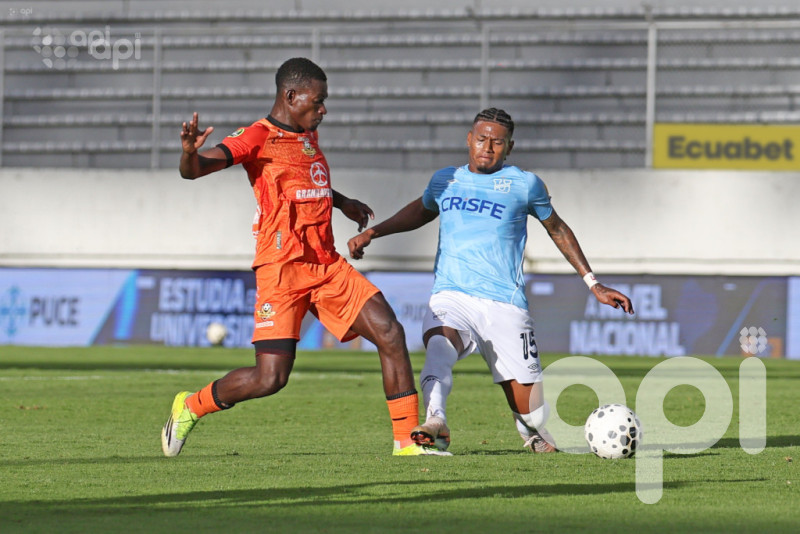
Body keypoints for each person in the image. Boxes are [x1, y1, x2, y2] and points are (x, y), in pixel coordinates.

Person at [161, 57, 450, 457]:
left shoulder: (307, 134)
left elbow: (304, 182)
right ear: (290, 95)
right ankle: (189, 405)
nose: (324, 110)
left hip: (326, 265)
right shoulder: (256, 137)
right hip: (281, 270)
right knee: (270, 378)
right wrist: (189, 154)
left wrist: (342, 201)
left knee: (390, 332)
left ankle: (407, 443)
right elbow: (195, 170)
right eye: (318, 101)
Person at [347, 108, 634, 454]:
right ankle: (436, 422)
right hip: (452, 295)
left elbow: (557, 228)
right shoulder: (445, 179)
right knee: (438, 348)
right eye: (481, 139)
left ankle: (527, 426)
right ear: (469, 139)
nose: (488, 147)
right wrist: (374, 233)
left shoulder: (525, 184)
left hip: (505, 304)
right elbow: (421, 211)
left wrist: (593, 283)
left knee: (534, 411)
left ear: (509, 147)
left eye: (497, 142)